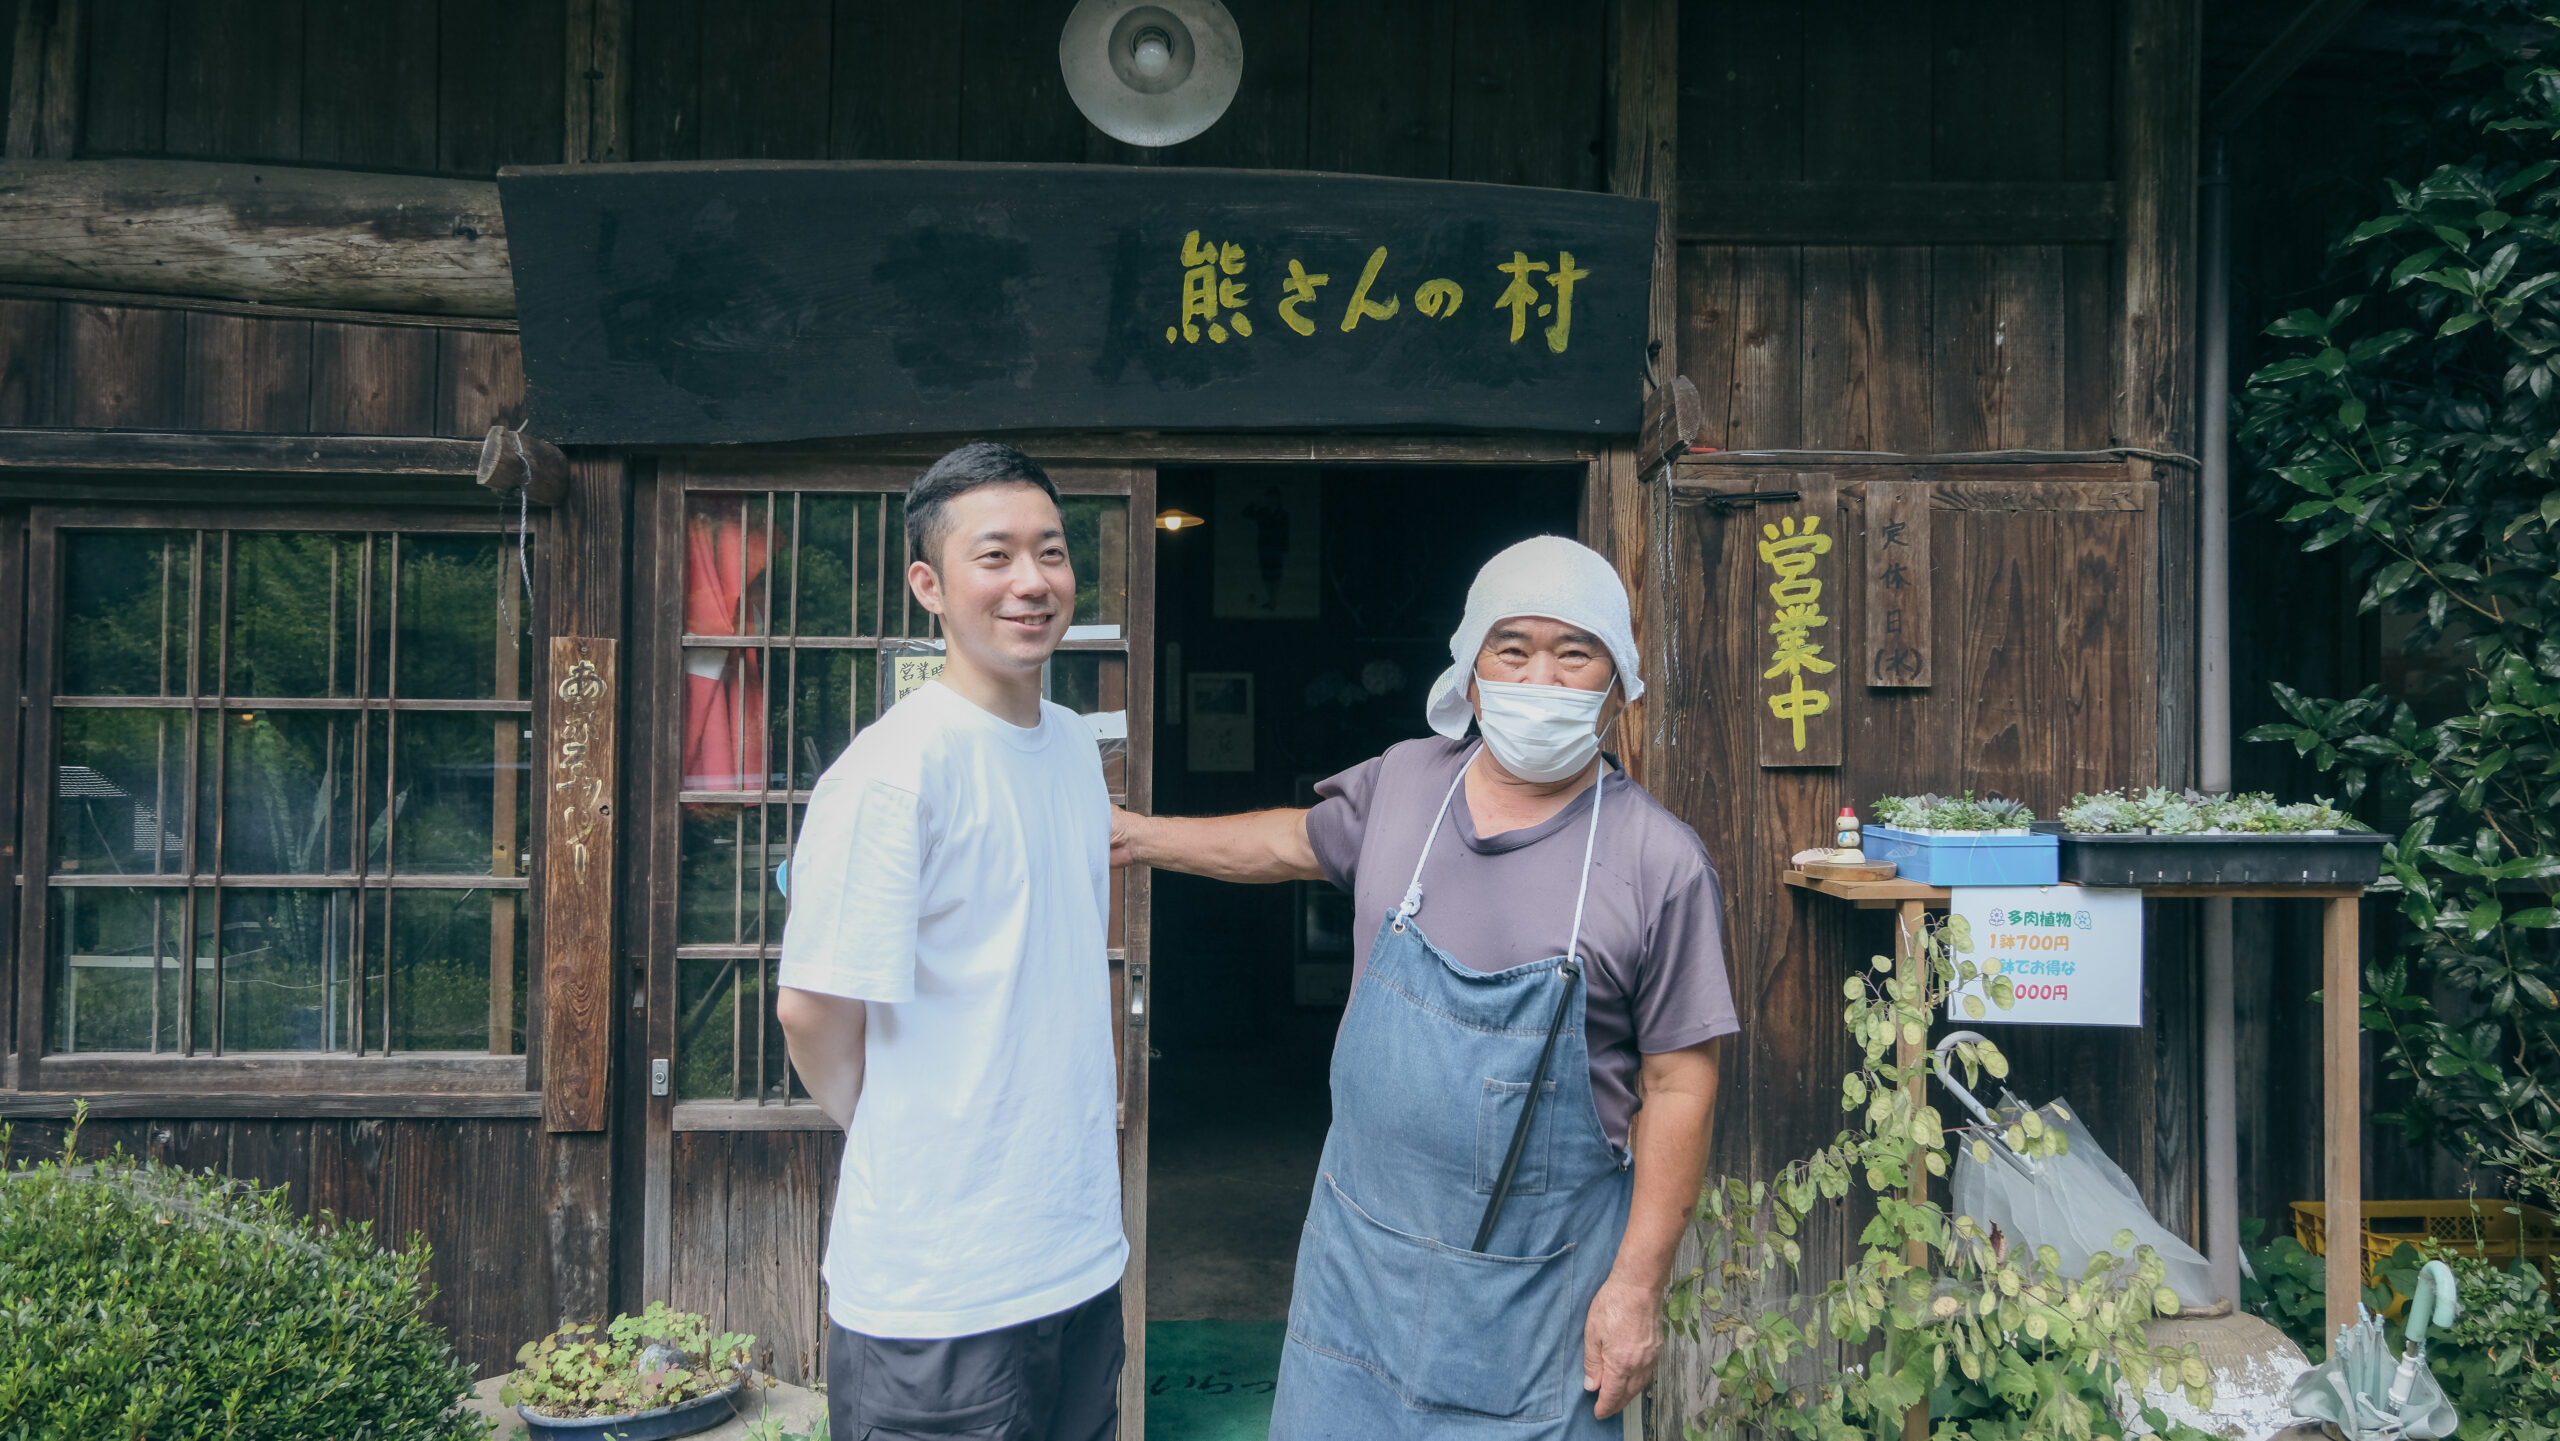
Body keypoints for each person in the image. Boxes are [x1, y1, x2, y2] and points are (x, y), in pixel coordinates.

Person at [1113, 535, 1736, 1437]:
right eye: (1512, 648)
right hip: (1356, 1271)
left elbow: (1681, 1082)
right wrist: (1138, 836)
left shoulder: (1658, 861)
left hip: (1531, 1305)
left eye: (1575, 652)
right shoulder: (1408, 783)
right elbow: (1290, 840)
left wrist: (1637, 1286)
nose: (1542, 677)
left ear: (1616, 681)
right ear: (1471, 673)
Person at [777, 442, 1125, 1441]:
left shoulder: (1067, 745)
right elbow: (812, 1008)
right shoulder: (893, 770)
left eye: (1051, 553)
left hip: (1073, 1258)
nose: (1032, 581)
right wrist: (904, 1135)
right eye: (996, 555)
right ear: (928, 584)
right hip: (940, 1293)